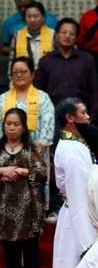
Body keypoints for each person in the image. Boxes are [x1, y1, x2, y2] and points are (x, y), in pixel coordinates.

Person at [50, 97, 97, 268]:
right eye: (83, 113)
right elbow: (78, 195)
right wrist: (87, 241)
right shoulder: (70, 151)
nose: (88, 117)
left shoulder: (78, 144)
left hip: (80, 214)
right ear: (70, 118)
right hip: (76, 219)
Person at [0, 107, 46, 268]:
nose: (12, 128)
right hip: (4, 209)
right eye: (8, 124)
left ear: (24, 126)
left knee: (30, 252)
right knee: (9, 252)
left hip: (29, 209)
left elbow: (43, 172)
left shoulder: (31, 147)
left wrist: (22, 171)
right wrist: (2, 170)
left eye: (16, 124)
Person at [0, 56, 54, 215]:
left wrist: (31, 158)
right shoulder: (3, 100)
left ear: (32, 74)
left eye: (23, 71)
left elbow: (48, 128)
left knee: (33, 199)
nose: (19, 75)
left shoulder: (43, 98)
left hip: (36, 155)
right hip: (6, 157)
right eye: (15, 72)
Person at [34, 18, 98, 121]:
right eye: (63, 32)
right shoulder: (46, 61)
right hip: (52, 113)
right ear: (56, 35)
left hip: (80, 113)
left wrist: (92, 117)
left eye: (72, 33)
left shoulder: (87, 60)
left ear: (76, 37)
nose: (67, 36)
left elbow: (94, 91)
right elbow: (38, 92)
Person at [7, 1, 55, 74]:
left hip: (47, 81)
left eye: (36, 16)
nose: (32, 20)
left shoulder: (53, 35)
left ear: (43, 17)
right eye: (29, 16)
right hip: (23, 81)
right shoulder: (17, 35)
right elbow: (11, 62)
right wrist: (12, 83)